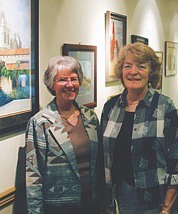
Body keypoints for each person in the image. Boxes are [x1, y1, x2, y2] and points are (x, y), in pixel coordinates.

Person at [100, 43, 178, 214]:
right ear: (121, 71)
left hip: (158, 200)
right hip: (121, 197)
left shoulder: (165, 106)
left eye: (141, 66)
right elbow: (104, 158)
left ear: (151, 72)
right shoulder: (111, 107)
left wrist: (167, 208)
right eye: (128, 66)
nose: (133, 72)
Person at [25, 56, 105, 214]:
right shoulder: (40, 122)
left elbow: (100, 163)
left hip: (92, 203)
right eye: (62, 80)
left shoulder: (90, 117)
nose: (70, 85)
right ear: (52, 85)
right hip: (58, 207)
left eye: (74, 79)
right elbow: (33, 174)